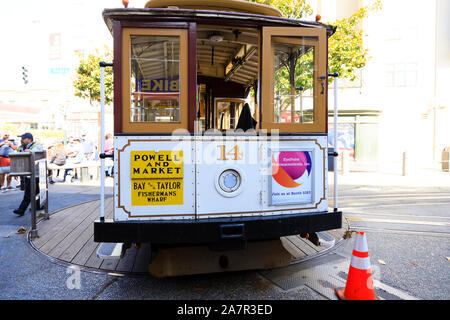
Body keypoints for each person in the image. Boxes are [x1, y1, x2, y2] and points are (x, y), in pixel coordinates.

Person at [13, 133, 43, 216]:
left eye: (23, 138)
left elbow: (38, 152)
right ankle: (39, 205)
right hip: (26, 173)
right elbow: (17, 159)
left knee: (28, 192)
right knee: (35, 190)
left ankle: (21, 209)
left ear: (29, 139)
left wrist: (30, 151)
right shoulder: (20, 147)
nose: (21, 140)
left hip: (34, 173)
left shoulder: (36, 145)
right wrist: (16, 171)